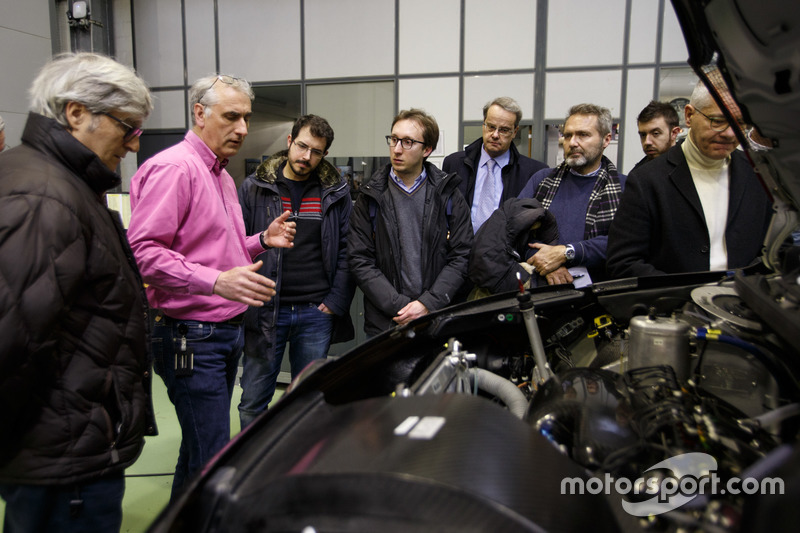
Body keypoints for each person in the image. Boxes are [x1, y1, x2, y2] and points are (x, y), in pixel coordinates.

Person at [0, 52, 154, 532]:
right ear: (76, 113)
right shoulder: (45, 196)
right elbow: (12, 341)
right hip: (62, 456)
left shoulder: (58, 183)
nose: (132, 145)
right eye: (127, 127)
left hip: (67, 442)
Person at [126, 73, 296, 500]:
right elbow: (142, 253)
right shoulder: (174, 169)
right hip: (190, 336)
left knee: (201, 449)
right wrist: (215, 281)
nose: (242, 128)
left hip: (221, 333)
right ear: (199, 113)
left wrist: (260, 240)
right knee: (214, 456)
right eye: (232, 116)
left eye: (246, 118)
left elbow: (214, 246)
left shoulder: (220, 174)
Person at [236, 114, 355, 428]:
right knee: (253, 400)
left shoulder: (335, 192)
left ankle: (298, 468)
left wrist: (334, 302)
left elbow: (347, 250)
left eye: (316, 151)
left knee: (308, 401)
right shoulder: (255, 188)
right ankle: (254, 468)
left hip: (315, 311)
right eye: (302, 146)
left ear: (325, 155)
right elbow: (235, 245)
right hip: (265, 310)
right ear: (289, 142)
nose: (307, 157)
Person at [606, 81, 773, 278]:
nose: (729, 133)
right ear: (689, 115)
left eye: (739, 124)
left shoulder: (758, 173)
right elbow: (623, 262)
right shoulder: (646, 180)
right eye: (717, 121)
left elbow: (774, 248)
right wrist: (683, 294)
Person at [348, 108, 472, 336]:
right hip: (386, 321)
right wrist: (401, 306)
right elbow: (359, 259)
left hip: (435, 318)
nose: (396, 149)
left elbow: (461, 255)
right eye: (394, 139)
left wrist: (428, 304)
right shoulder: (370, 196)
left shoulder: (449, 195)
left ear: (427, 149)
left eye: (407, 142)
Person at [518, 103, 626, 285]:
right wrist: (545, 262)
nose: (573, 143)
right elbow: (515, 231)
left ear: (606, 140)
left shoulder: (624, 187)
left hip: (599, 292)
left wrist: (568, 252)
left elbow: (624, 242)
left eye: (583, 135)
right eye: (568, 135)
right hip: (541, 290)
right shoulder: (542, 181)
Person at [442, 96, 547, 233]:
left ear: (515, 132)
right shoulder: (454, 163)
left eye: (503, 130)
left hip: (504, 251)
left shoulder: (532, 173)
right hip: (460, 251)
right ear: (483, 125)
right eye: (491, 127)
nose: (495, 135)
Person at [631, 100, 682, 172]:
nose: (647, 142)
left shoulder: (689, 166)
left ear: (674, 133)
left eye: (655, 133)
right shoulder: (637, 176)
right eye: (643, 135)